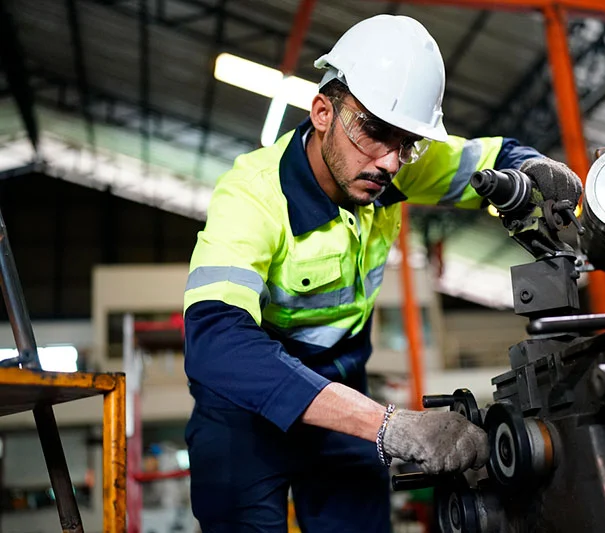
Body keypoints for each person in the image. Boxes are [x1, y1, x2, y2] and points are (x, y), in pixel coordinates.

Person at [182, 13, 583, 533]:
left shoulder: (389, 160)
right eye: (374, 133)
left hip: (340, 390)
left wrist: (534, 170)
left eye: (407, 142)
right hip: (243, 408)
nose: (393, 163)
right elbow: (215, 340)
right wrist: (388, 425)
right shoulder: (253, 197)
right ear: (323, 111)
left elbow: (494, 156)